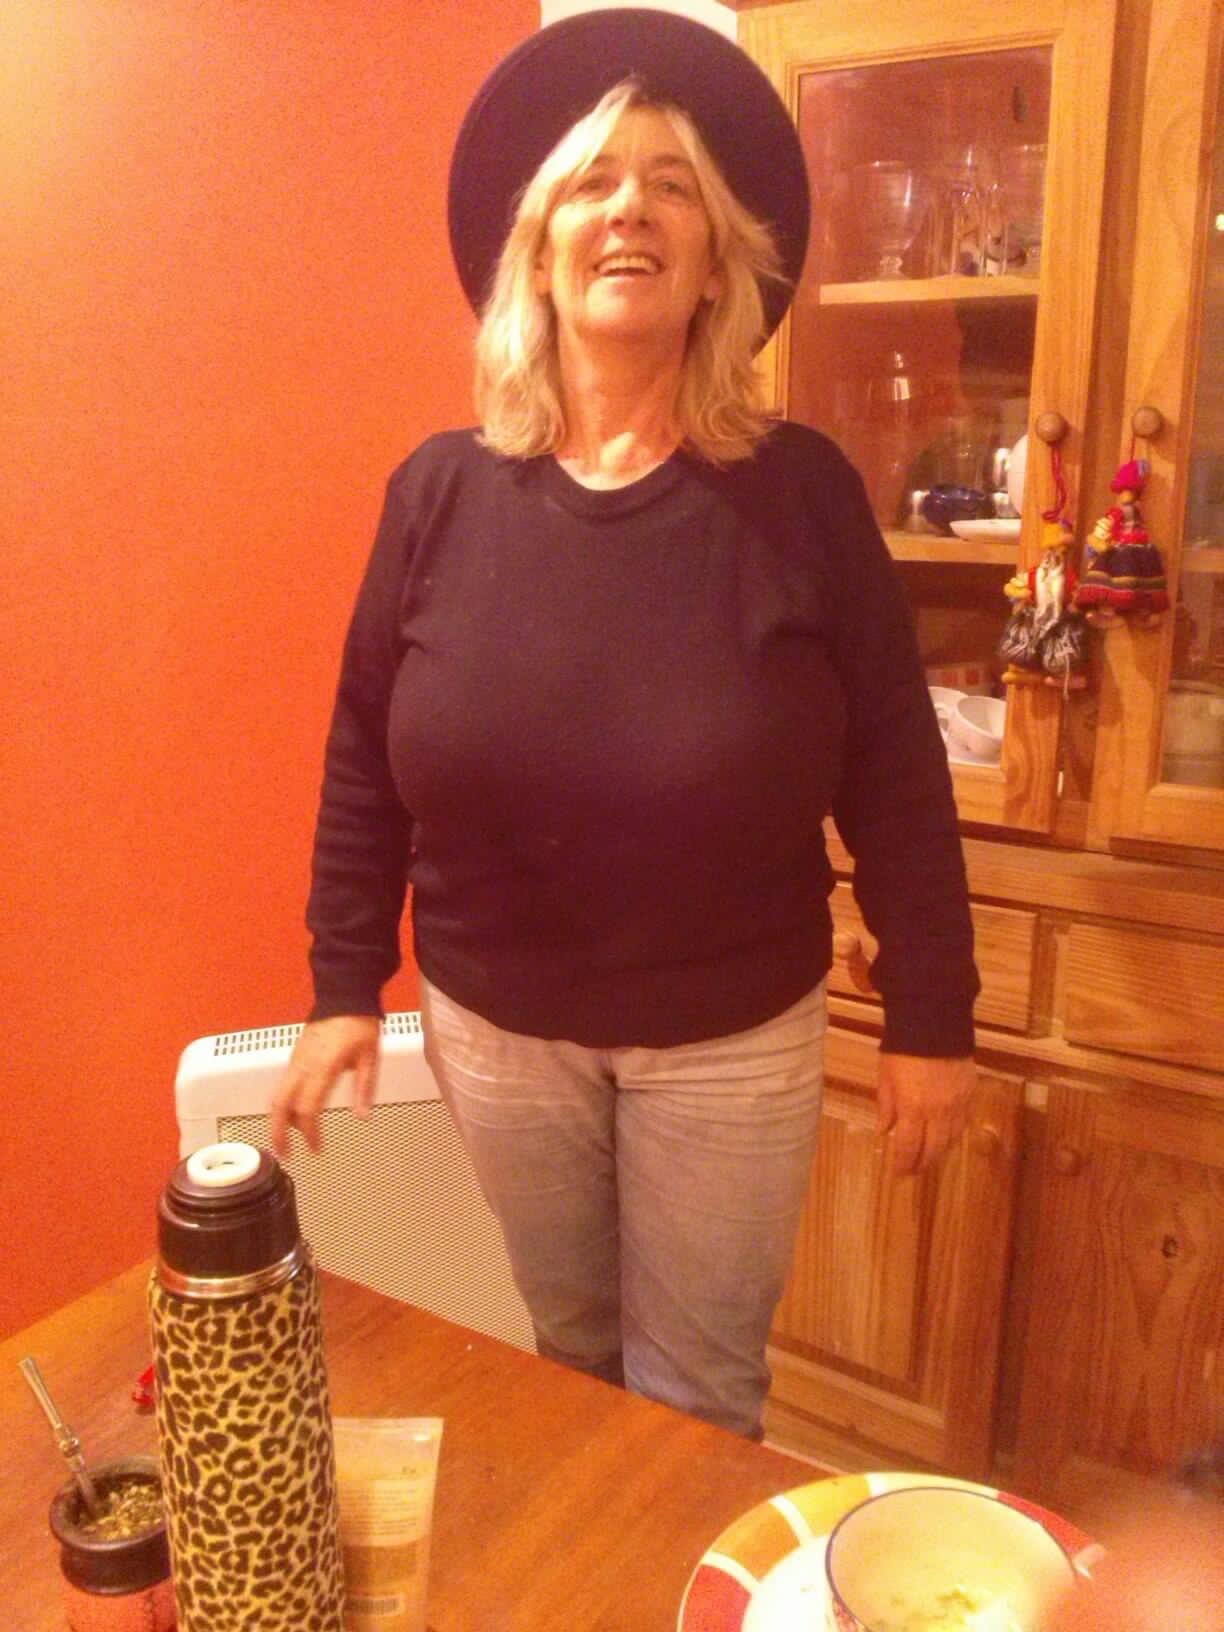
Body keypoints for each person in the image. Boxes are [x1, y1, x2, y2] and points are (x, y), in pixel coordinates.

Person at [269, 9, 980, 1440]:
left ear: (718, 260)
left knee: (697, 1403)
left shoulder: (802, 493)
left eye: (670, 186)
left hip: (730, 1040)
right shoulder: (438, 494)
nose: (629, 210)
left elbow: (898, 775)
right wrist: (345, 982)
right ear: (539, 251)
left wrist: (932, 1017)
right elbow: (363, 753)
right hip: (497, 1034)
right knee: (568, 1360)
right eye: (592, 183)